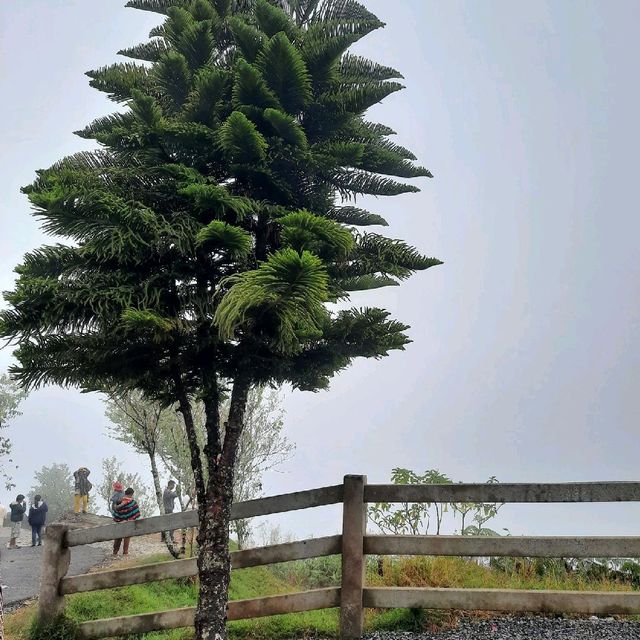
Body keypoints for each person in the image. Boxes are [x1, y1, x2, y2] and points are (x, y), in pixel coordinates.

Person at [112, 487, 141, 556]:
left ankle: (115, 552)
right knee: (127, 537)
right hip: (128, 523)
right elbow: (137, 514)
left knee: (118, 537)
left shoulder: (119, 501)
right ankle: (125, 552)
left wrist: (120, 519)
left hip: (119, 523)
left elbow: (115, 512)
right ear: (131, 494)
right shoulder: (133, 503)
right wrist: (129, 519)